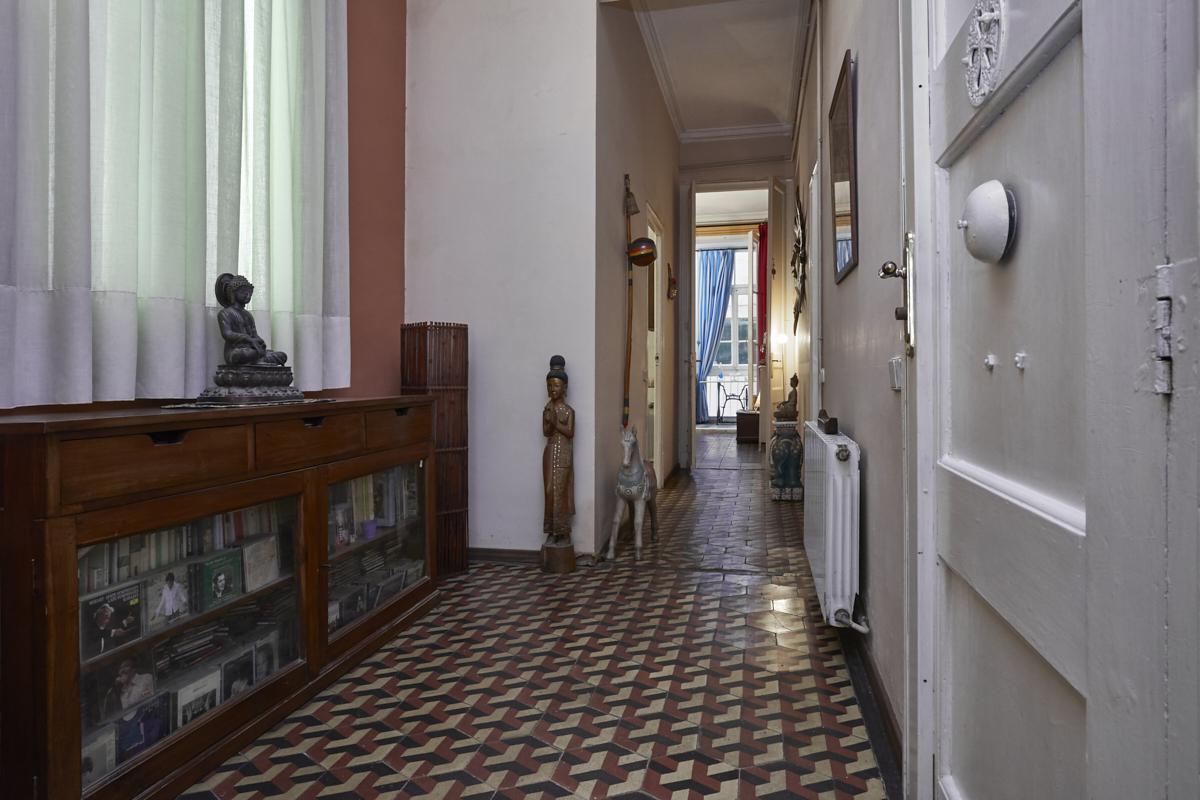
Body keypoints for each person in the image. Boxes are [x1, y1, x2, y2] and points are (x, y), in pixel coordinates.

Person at [214, 273, 287, 367]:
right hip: (236, 350)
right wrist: (247, 339)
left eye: (249, 293)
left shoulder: (248, 315)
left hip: (252, 348)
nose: (247, 295)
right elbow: (227, 334)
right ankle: (259, 360)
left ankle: (259, 360)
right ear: (233, 293)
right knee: (239, 355)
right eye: (243, 292)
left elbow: (254, 334)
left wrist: (260, 341)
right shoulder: (225, 313)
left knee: (282, 355)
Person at [542, 355, 575, 545]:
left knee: (561, 491)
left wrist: (556, 422)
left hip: (563, 453)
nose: (552, 389)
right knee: (549, 490)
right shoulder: (547, 409)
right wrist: (550, 422)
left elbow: (570, 432)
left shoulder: (569, 411)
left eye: (556, 385)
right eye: (549, 386)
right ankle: (551, 530)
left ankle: (563, 532)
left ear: (564, 387)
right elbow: (545, 432)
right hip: (550, 451)